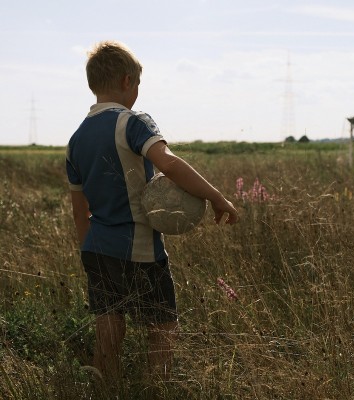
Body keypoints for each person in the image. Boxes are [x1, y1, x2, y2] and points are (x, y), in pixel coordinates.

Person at [65, 41, 239, 383]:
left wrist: (90, 252)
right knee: (163, 324)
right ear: (128, 81)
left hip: (96, 248)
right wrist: (217, 197)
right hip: (140, 248)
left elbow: (78, 210)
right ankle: (153, 386)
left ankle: (107, 383)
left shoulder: (75, 139)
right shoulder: (133, 122)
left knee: (109, 322)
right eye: (138, 85)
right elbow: (169, 164)